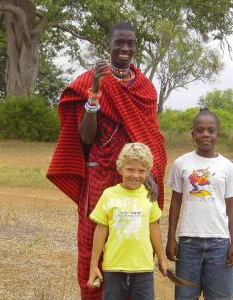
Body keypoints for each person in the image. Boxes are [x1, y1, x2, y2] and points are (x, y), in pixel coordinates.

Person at [47, 22, 167, 300]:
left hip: (135, 176)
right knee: (94, 240)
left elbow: (150, 136)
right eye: (119, 43)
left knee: (133, 236)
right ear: (109, 45)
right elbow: (86, 137)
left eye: (131, 44)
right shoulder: (90, 79)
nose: (125, 49)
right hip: (100, 175)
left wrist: (149, 170)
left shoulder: (145, 88)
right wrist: (95, 90)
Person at [166, 108, 233, 300]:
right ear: (193, 134)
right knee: (185, 295)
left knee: (220, 297)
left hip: (219, 244)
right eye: (200, 130)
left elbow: (231, 208)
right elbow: (175, 202)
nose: (205, 134)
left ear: (218, 134)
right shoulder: (181, 164)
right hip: (188, 243)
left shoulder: (227, 167)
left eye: (210, 130)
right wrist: (171, 238)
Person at [86, 142, 168, 299]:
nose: (135, 175)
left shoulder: (149, 196)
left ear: (148, 172)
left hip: (143, 269)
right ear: (120, 169)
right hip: (114, 269)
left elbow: (154, 228)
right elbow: (100, 230)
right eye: (130, 169)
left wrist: (162, 259)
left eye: (141, 171)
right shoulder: (109, 195)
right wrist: (93, 265)